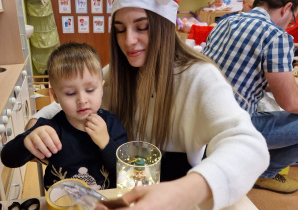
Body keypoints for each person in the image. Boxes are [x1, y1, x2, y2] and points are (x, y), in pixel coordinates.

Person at [25, 0, 269, 209]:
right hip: (123, 193)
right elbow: (65, 103)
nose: (129, 41)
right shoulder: (118, 75)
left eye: (142, 27)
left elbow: (249, 146)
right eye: (120, 30)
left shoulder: (199, 77)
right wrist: (37, 125)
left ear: (165, 26)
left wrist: (180, 192)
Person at [1, 42, 128, 190]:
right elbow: (8, 158)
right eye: (70, 93)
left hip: (103, 203)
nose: (82, 100)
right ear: (55, 96)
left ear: (101, 89)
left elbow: (124, 173)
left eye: (90, 89)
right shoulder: (49, 128)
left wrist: (106, 143)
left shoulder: (111, 124)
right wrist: (27, 140)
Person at [203, 0, 298, 194]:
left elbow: (241, 73)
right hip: (230, 127)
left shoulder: (226, 22)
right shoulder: (276, 36)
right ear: (287, 7)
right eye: (293, 19)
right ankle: (264, 174)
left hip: (202, 118)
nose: (290, 23)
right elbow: (290, 102)